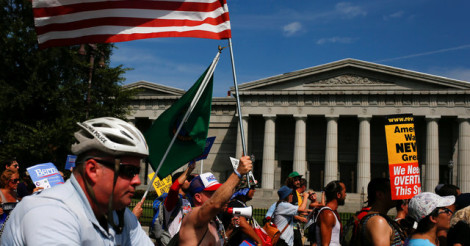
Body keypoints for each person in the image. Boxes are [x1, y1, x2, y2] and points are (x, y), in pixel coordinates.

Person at [1, 117, 153, 245]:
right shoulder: (50, 211)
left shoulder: (120, 214)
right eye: (128, 171)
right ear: (92, 170)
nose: (137, 181)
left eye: (137, 172)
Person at [177, 155, 253, 246]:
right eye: (213, 193)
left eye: (218, 192)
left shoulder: (215, 221)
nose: (220, 196)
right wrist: (238, 172)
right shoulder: (192, 216)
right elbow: (214, 203)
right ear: (198, 197)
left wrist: (229, 230)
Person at [359, 178, 405, 246]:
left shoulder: (380, 218)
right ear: (380, 195)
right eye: (393, 192)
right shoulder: (378, 221)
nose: (396, 195)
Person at [221, 176, 262, 245]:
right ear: (244, 190)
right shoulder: (236, 204)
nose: (254, 190)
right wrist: (258, 240)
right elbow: (243, 224)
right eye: (252, 188)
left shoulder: (239, 203)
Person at [315, 180, 346, 246]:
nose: (345, 195)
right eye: (344, 192)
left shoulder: (332, 213)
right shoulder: (327, 214)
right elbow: (325, 244)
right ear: (338, 195)